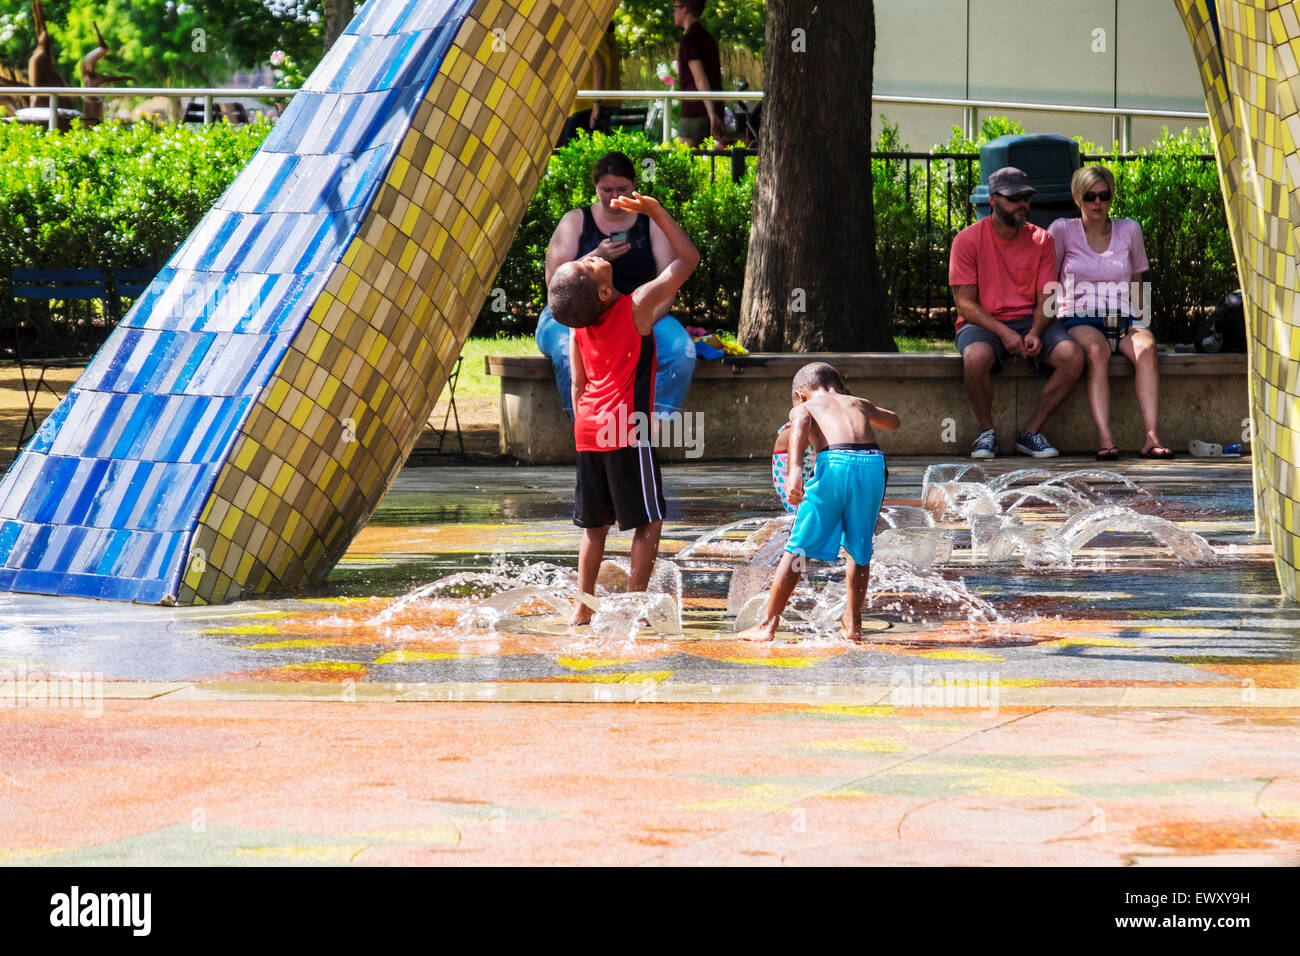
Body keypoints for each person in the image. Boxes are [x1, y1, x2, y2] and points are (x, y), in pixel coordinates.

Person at [547, 191, 700, 626]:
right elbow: (686, 261)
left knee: (593, 528)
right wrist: (654, 212)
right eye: (589, 262)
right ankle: (634, 604)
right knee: (649, 521)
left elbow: (578, 383)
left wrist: (586, 425)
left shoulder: (579, 328)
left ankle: (582, 607)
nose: (593, 256)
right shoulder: (635, 309)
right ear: (603, 289)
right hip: (626, 428)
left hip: (589, 429)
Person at [739, 362, 900, 643]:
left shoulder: (804, 406)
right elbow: (894, 422)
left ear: (800, 394)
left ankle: (766, 626)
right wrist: (864, 413)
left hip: (835, 463)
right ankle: (853, 625)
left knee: (797, 548)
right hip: (874, 464)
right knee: (859, 549)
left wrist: (796, 472)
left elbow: (799, 426)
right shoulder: (858, 402)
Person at [535, 151, 696, 420]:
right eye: (606, 189)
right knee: (567, 351)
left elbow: (669, 285)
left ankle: (652, 427)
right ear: (594, 187)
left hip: (638, 310)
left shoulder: (650, 223)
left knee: (681, 350)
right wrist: (597, 254)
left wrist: (634, 325)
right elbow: (555, 284)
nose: (613, 197)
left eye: (622, 189)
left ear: (634, 185)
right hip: (575, 314)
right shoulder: (575, 220)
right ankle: (583, 426)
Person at [950, 166, 1084, 458]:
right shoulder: (966, 240)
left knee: (1073, 356)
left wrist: (1035, 331)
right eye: (1015, 198)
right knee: (975, 357)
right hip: (983, 321)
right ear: (994, 200)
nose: (1023, 204)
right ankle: (987, 433)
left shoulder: (1042, 239)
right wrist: (1005, 333)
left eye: (1026, 197)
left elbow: (1048, 297)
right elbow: (965, 305)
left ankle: (1031, 433)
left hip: (1031, 321)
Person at [1047, 166, 1171, 459]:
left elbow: (1138, 282)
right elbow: (1048, 280)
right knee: (1096, 349)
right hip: (1079, 314)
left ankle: (1152, 437)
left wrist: (1144, 324)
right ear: (1077, 198)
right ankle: (1106, 439)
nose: (1097, 202)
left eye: (1104, 195)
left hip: (1123, 315)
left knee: (1147, 348)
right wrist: (1047, 328)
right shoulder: (1062, 230)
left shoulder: (1130, 229)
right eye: (1090, 196)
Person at [558, 21, 618, 147]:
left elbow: (598, 66)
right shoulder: (606, 35)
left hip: (585, 105)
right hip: (600, 103)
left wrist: (596, 106)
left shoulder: (586, 34)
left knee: (571, 153)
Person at [672, 1, 724, 146]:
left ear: (685, 9)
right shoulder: (708, 38)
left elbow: (700, 78)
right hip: (713, 108)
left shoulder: (689, 39)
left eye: (675, 8)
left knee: (684, 159)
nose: (673, 12)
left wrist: (711, 114)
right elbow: (716, 77)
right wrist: (716, 111)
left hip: (695, 112)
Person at [79, 23, 133, 126]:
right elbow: (103, 48)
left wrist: (128, 77)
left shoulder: (94, 77)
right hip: (90, 109)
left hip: (95, 108)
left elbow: (112, 78)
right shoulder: (89, 76)